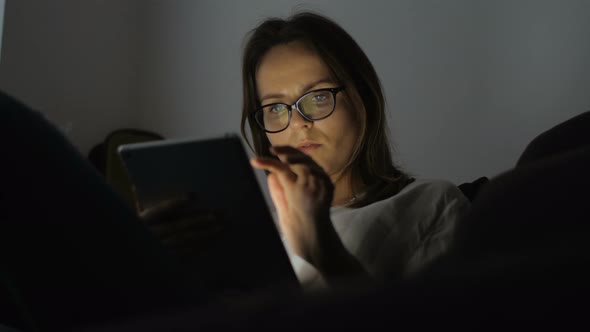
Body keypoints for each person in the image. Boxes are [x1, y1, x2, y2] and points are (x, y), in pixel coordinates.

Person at [240, 12, 470, 290]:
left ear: (362, 99)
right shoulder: (252, 235)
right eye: (276, 108)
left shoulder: (431, 203)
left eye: (318, 97)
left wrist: (324, 250)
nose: (299, 122)